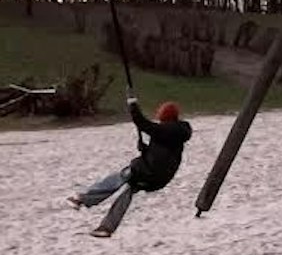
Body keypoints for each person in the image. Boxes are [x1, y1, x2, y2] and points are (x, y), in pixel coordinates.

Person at [68, 93, 192, 236]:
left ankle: (83, 199)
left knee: (119, 178)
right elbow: (163, 153)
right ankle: (106, 228)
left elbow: (142, 123)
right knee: (127, 192)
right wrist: (145, 149)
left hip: (147, 171)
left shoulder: (167, 130)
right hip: (159, 177)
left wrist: (133, 105)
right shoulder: (175, 132)